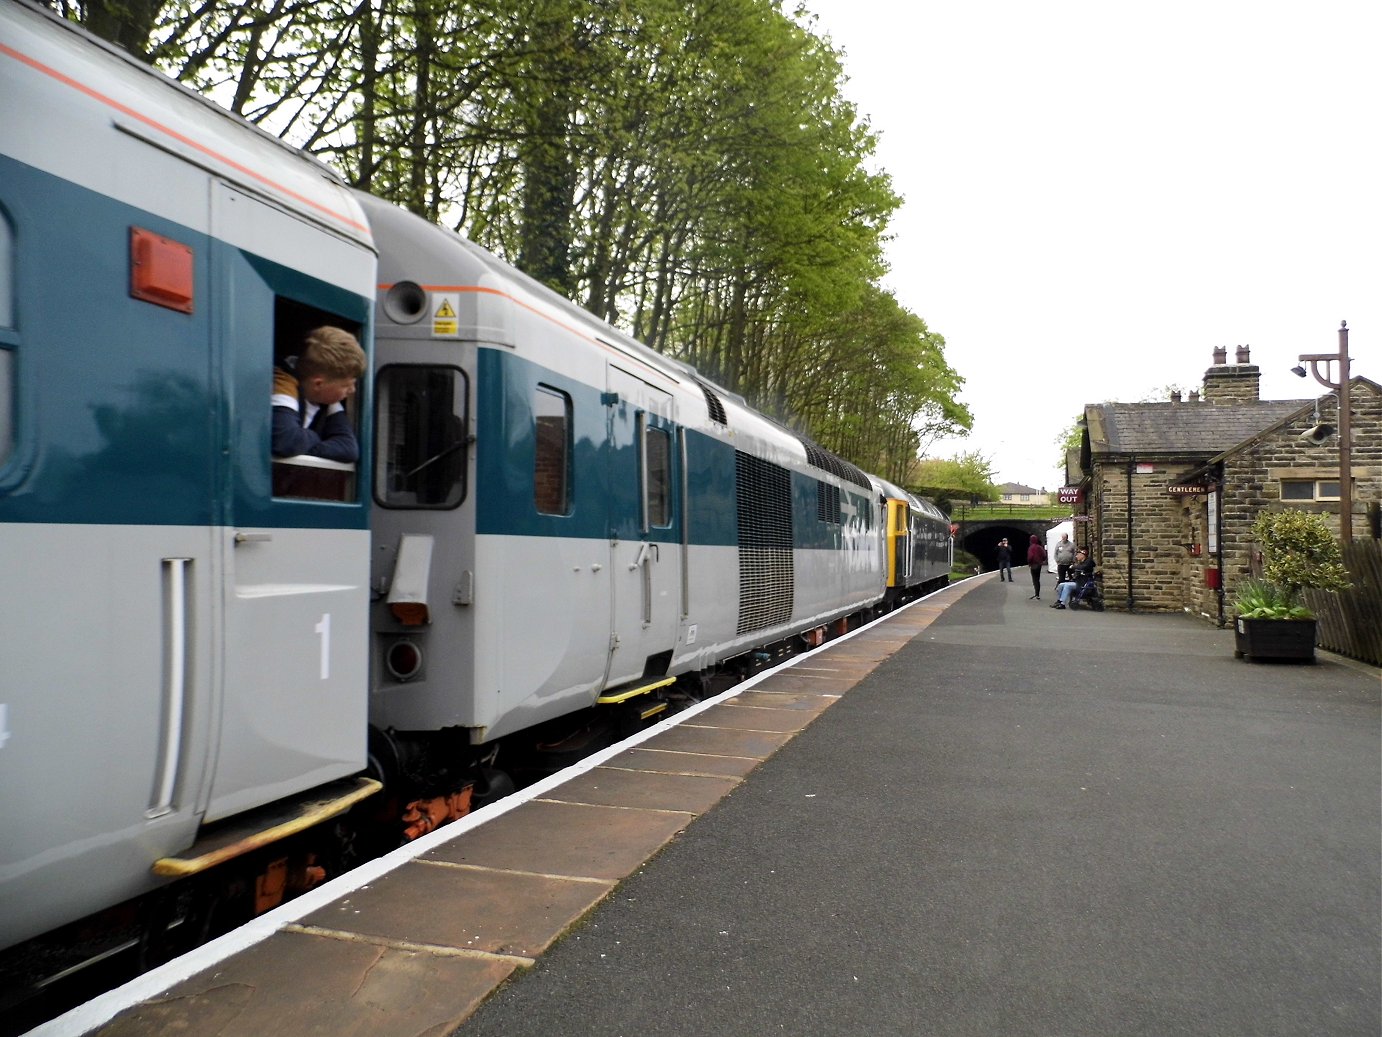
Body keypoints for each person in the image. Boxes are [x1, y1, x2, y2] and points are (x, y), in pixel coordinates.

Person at [272, 327, 367, 462]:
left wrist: (305, 445)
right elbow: (285, 441)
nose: (352, 390)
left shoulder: (326, 398)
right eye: (346, 385)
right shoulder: (283, 382)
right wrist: (317, 437)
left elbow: (348, 448)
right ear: (318, 384)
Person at [1026, 533, 1047, 599]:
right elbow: (1044, 555)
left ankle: (1036, 593)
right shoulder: (1040, 547)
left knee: (1034, 579)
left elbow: (1030, 556)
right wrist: (1041, 560)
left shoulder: (1031, 548)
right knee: (1038, 579)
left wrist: (1029, 562)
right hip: (1039, 565)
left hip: (1033, 565)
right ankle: (1037, 594)